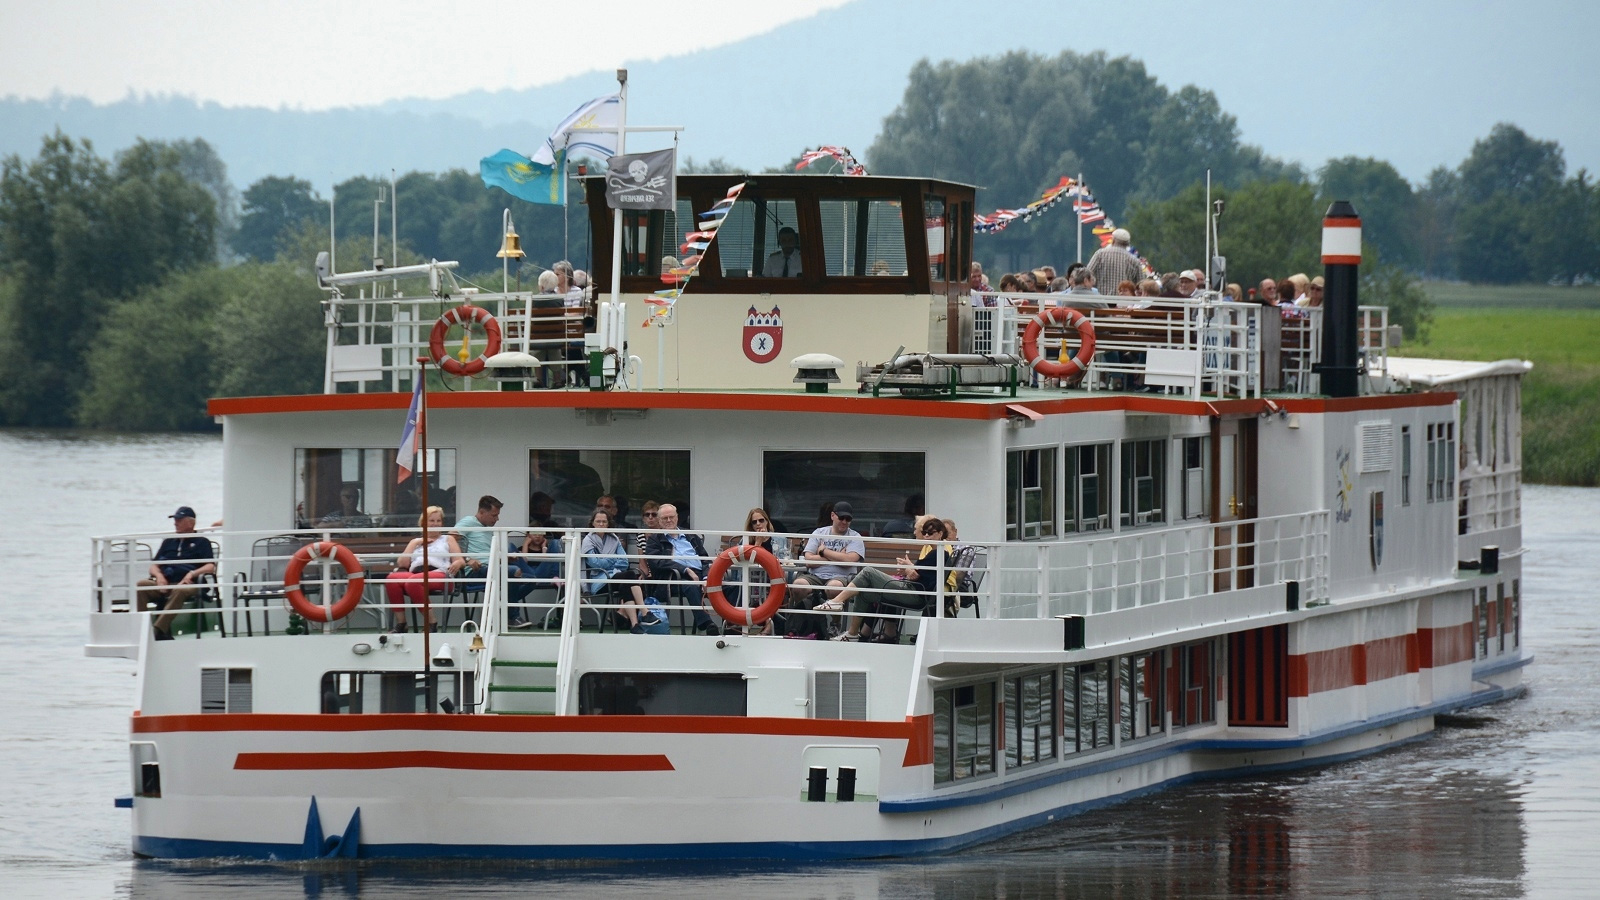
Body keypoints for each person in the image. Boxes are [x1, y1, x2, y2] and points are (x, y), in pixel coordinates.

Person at [830, 516, 953, 643]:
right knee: (864, 593)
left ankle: (837, 601)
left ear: (940, 534)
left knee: (867, 572)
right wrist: (909, 568)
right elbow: (919, 572)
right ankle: (853, 633)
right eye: (924, 532)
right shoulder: (935, 552)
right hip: (914, 590)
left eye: (930, 533)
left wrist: (908, 568)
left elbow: (916, 575)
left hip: (915, 593)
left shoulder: (938, 553)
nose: (926, 536)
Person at [137, 505, 216, 641]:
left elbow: (210, 567)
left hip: (189, 584)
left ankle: (158, 629)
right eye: (175, 520)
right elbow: (154, 566)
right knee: (141, 585)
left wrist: (192, 573)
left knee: (180, 590)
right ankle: (143, 628)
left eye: (179, 520)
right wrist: (159, 577)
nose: (175, 523)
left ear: (191, 523)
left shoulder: (202, 542)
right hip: (166, 582)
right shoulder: (169, 542)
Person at [383, 506, 463, 632]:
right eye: (431, 521)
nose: (435, 524)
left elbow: (459, 560)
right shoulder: (416, 541)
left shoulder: (448, 539)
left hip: (440, 573)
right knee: (391, 579)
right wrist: (415, 543)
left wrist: (458, 563)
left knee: (413, 582)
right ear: (423, 523)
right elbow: (402, 563)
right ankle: (402, 623)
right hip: (416, 573)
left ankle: (432, 623)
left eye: (438, 521)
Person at [643, 503, 717, 634]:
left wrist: (706, 577)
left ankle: (734, 626)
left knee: (730, 586)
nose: (669, 520)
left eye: (671, 517)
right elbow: (657, 562)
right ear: (659, 521)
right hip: (673, 578)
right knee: (690, 585)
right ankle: (707, 624)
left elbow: (704, 558)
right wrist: (685, 569)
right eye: (664, 518)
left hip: (700, 574)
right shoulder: (654, 540)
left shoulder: (690, 536)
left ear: (677, 518)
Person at [581, 508, 657, 633]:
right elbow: (594, 563)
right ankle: (645, 612)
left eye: (604, 522)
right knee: (630, 575)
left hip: (615, 576)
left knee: (626, 584)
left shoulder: (614, 538)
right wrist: (612, 559)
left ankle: (634, 624)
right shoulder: (588, 541)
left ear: (608, 523)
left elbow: (624, 561)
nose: (601, 524)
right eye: (598, 521)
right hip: (598, 582)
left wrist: (607, 560)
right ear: (592, 523)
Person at [803, 501, 866, 602]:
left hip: (841, 577)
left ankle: (835, 618)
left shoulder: (855, 537)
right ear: (832, 516)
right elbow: (809, 561)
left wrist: (823, 551)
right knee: (799, 586)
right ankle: (800, 616)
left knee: (834, 588)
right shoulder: (819, 532)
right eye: (841, 518)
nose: (844, 522)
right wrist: (839, 556)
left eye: (848, 519)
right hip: (814, 576)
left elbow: (849, 561)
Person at [507, 527, 564, 628]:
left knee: (555, 543)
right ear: (528, 536)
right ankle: (554, 577)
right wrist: (525, 544)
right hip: (528, 574)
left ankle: (555, 577)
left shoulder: (545, 548)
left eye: (540, 534)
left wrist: (544, 548)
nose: (537, 536)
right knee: (510, 546)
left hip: (543, 574)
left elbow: (546, 561)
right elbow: (523, 562)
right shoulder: (521, 549)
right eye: (534, 534)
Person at [1085, 228, 1142, 293]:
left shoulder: (1100, 254)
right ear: (1128, 244)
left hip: (1102, 299)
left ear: (1113, 240)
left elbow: (1087, 273)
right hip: (1124, 301)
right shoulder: (1134, 261)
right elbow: (1140, 285)